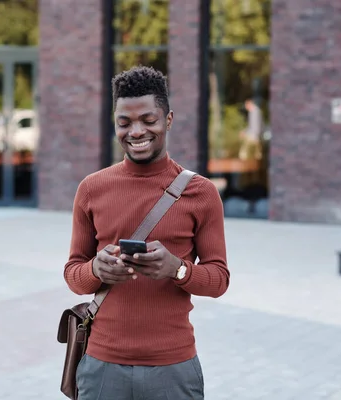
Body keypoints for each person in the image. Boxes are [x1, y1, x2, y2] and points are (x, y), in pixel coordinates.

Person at [63, 65, 230, 399]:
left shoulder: (201, 192)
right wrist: (96, 268)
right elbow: (73, 274)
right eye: (124, 123)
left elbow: (219, 280)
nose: (136, 131)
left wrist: (178, 269)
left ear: (168, 119)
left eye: (148, 120)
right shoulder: (92, 189)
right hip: (102, 366)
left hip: (173, 367)